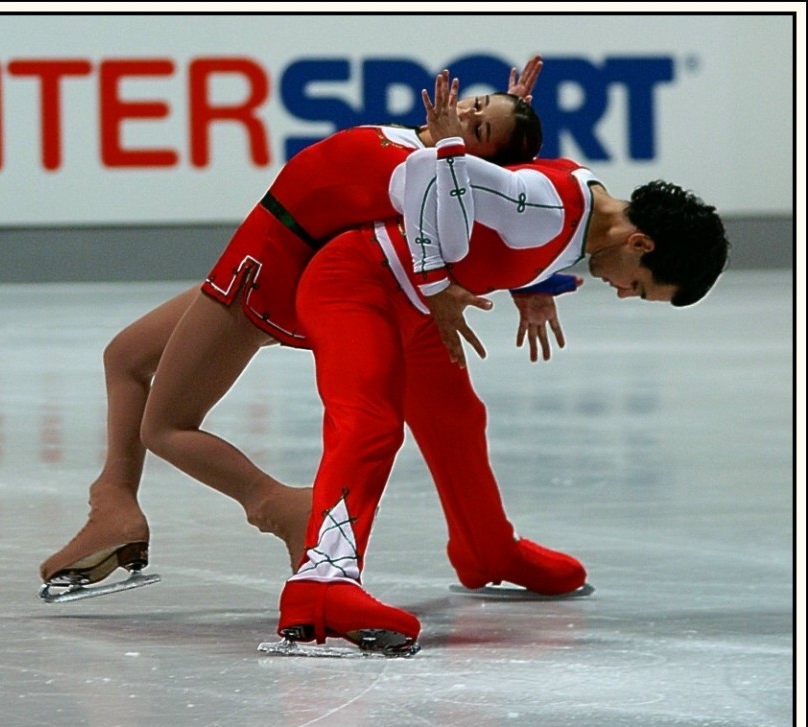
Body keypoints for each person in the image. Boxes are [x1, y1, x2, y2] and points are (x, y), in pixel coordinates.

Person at [40, 62, 585, 600]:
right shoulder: (414, 146)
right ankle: (112, 506)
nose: (464, 110)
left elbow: (476, 225)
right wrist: (495, 131)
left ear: (477, 163)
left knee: (165, 428)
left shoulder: (421, 175)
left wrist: (528, 271)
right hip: (256, 258)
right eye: (478, 102)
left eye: (479, 126)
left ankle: (280, 507)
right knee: (126, 356)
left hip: (258, 281)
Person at [274, 74, 730, 655]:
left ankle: (486, 550)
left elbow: (501, 224)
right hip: (357, 284)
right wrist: (439, 280)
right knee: (369, 424)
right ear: (641, 244)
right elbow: (432, 177)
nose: (621, 294)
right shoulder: (549, 208)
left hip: (413, 305)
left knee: (458, 420)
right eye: (639, 288)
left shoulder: (591, 209)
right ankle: (319, 586)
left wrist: (532, 284)